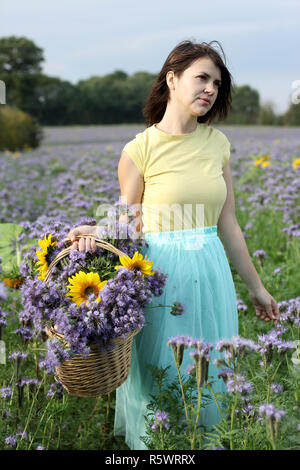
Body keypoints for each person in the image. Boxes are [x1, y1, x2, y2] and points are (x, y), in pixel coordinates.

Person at [67, 39, 280, 450]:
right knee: (162, 375)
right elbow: (127, 221)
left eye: (217, 83)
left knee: (210, 372)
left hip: (212, 275)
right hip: (160, 280)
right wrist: (93, 229)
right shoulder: (139, 150)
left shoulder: (217, 144)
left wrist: (256, 287)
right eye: (202, 78)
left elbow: (228, 223)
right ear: (172, 79)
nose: (211, 89)